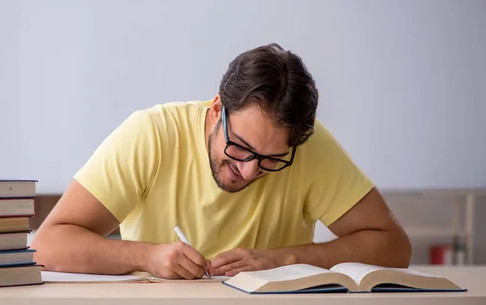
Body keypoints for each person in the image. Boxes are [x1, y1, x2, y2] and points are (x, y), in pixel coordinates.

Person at [31, 43, 411, 280]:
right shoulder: (151, 133)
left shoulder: (309, 147)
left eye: (271, 160)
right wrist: (146, 256)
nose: (248, 170)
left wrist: (288, 258)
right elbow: (47, 244)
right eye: (240, 147)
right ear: (217, 110)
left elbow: (393, 246)